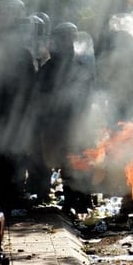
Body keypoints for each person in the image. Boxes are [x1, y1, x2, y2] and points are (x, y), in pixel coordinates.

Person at [0, 0, 39, 211]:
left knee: (14, 154)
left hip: (13, 110)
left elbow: (28, 81)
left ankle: (12, 196)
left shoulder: (22, 50)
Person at [34, 22, 96, 210]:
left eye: (71, 37)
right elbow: (41, 96)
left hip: (77, 120)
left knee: (80, 159)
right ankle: (74, 199)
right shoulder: (50, 68)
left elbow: (90, 91)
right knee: (68, 160)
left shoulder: (80, 64)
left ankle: (82, 198)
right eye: (64, 38)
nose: (68, 42)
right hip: (59, 123)